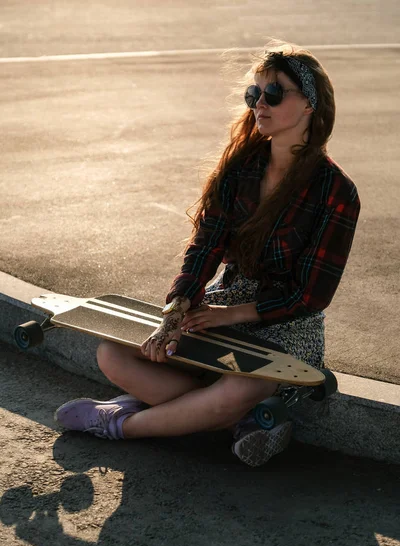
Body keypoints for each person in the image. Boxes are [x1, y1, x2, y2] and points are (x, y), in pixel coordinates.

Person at [54, 41, 360, 467]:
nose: (260, 104)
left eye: (274, 94)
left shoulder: (337, 191)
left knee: (238, 388)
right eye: (255, 95)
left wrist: (228, 316)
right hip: (220, 305)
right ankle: (241, 420)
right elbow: (205, 246)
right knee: (113, 353)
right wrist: (178, 307)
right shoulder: (240, 166)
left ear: (309, 104)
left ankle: (120, 422)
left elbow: (310, 297)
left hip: (285, 326)